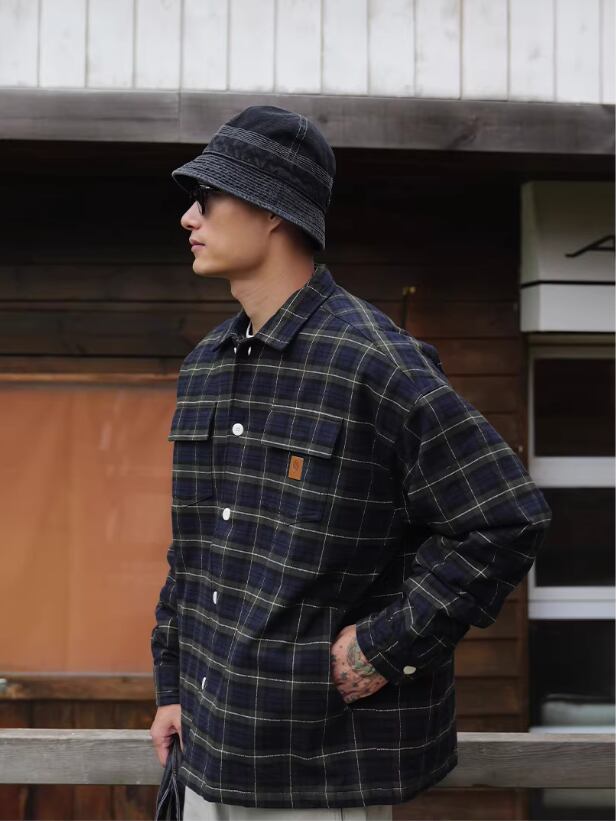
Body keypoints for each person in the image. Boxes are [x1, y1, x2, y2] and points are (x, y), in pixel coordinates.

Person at [149, 105, 552, 820]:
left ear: (273, 208)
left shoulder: (373, 360)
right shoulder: (205, 365)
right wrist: (174, 687)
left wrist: (381, 648)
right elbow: (196, 555)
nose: (189, 217)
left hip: (317, 771)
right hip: (204, 756)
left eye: (207, 197)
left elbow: (504, 518)